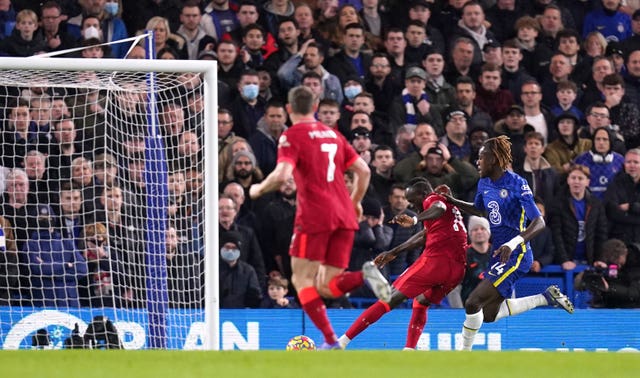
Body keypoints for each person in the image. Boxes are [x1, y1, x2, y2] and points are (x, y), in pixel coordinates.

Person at [249, 85, 391, 349]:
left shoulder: (291, 135)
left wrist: (257, 189)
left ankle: (330, 341)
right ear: (315, 108)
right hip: (344, 214)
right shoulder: (333, 134)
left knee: (301, 280)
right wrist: (355, 202)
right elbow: (364, 171)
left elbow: (281, 175)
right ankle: (365, 275)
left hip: (315, 215)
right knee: (327, 286)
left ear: (289, 110)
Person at [442, 135, 574, 351]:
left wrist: (513, 243)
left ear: (493, 159)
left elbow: (539, 222)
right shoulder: (484, 182)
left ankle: (462, 355)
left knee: (472, 302)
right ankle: (545, 297)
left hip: (517, 253)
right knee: (488, 315)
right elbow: (479, 209)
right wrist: (453, 201)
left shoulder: (517, 183)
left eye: (481, 157)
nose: (477, 162)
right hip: (499, 253)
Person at [338, 179, 467, 350]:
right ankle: (409, 350)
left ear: (422, 195)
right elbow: (424, 235)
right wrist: (394, 252)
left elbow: (438, 208)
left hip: (436, 262)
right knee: (421, 301)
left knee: (388, 299)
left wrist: (414, 220)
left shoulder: (432, 199)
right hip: (457, 271)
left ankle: (341, 342)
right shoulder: (450, 208)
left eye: (413, 201)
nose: (413, 206)